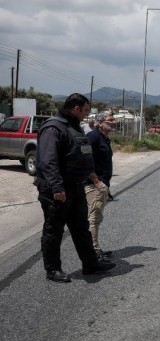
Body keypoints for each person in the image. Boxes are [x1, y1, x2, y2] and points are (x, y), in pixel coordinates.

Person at [35, 93, 116, 283]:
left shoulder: (73, 127)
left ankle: (90, 264)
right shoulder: (53, 128)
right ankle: (53, 269)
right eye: (85, 110)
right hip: (57, 189)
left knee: (81, 227)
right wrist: (57, 187)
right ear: (76, 109)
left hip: (75, 186)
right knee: (54, 230)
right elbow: (48, 161)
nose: (87, 115)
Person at [85, 112, 115, 261]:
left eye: (113, 120)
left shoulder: (104, 138)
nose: (113, 122)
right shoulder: (93, 137)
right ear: (100, 123)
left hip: (102, 185)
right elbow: (85, 159)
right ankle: (94, 252)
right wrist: (97, 182)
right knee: (94, 218)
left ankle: (95, 249)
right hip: (93, 185)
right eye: (110, 120)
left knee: (96, 218)